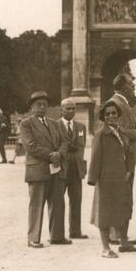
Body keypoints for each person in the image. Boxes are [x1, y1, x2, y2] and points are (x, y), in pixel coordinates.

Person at [19, 91, 69, 248]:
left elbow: (64, 142)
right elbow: (30, 146)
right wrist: (51, 155)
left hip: (55, 168)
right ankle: (33, 238)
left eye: (45, 104)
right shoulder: (26, 124)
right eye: (38, 104)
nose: (42, 107)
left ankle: (57, 236)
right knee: (36, 205)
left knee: (58, 203)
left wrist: (59, 154)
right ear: (31, 107)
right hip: (38, 170)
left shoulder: (54, 123)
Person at [87, 100, 136, 258]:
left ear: (118, 115)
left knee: (125, 209)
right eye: (107, 114)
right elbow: (95, 158)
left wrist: (129, 171)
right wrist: (93, 179)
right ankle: (106, 248)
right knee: (105, 213)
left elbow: (130, 153)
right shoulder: (100, 135)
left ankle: (124, 242)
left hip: (123, 179)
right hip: (106, 179)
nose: (111, 116)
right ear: (103, 117)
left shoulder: (122, 133)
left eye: (114, 113)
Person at [108, 73, 136, 244]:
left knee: (124, 198)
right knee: (120, 197)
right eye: (130, 84)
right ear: (123, 86)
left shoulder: (121, 103)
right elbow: (116, 130)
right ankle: (116, 235)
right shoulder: (116, 103)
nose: (133, 86)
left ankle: (121, 235)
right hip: (120, 160)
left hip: (126, 158)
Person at [59, 99, 88, 240]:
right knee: (58, 201)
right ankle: (58, 233)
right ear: (61, 109)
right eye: (68, 108)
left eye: (73, 108)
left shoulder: (81, 127)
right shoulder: (55, 126)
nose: (71, 111)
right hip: (61, 168)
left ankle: (75, 231)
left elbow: (82, 147)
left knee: (76, 200)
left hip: (76, 168)